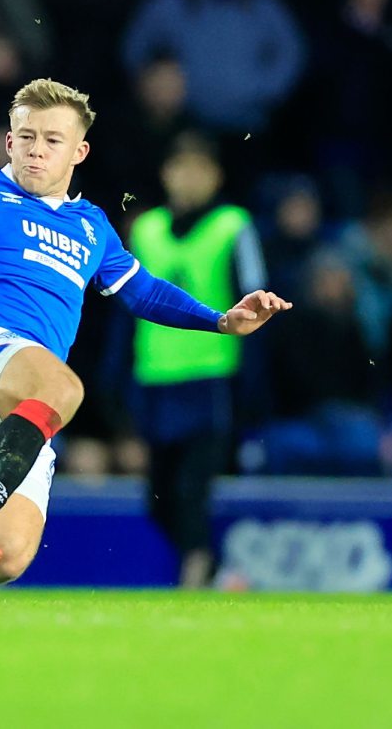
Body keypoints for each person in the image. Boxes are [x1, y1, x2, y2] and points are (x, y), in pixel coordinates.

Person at [0, 79, 291, 599]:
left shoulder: (92, 228)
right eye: (27, 136)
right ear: (9, 142)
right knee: (63, 388)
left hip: (17, 413)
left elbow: (145, 292)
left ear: (79, 151)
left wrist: (222, 320)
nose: (37, 149)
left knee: (3, 560)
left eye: (53, 140)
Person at [126, 134, 266, 587]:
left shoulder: (232, 226)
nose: (188, 179)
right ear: (166, 174)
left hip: (211, 377)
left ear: (215, 176)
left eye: (198, 169)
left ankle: (197, 572)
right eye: (180, 168)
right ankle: (217, 570)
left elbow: (258, 303)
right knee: (157, 497)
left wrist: (252, 387)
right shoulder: (146, 229)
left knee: (192, 488)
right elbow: (124, 306)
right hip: (155, 377)